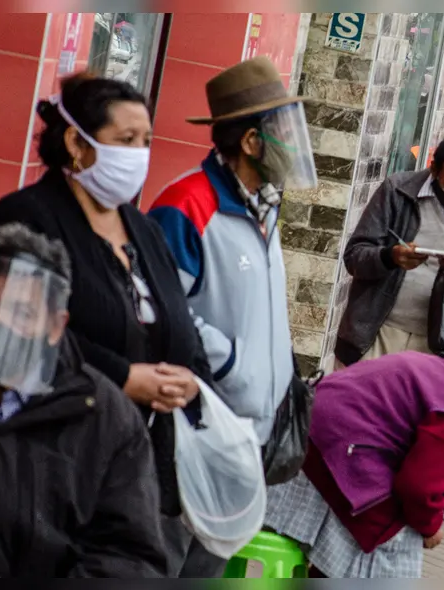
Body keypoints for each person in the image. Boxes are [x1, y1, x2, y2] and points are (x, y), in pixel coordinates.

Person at [0, 73, 219, 577]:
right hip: (53, 456)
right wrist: (121, 377)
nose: (138, 154)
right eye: (125, 140)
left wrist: (191, 376)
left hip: (146, 461)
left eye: (145, 142)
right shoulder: (28, 218)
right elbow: (19, 329)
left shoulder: (143, 229)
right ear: (76, 142)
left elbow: (180, 320)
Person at [265, 327, 444, 577]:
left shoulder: (438, 369)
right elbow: (417, 488)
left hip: (308, 431)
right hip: (332, 451)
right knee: (396, 542)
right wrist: (431, 526)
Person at [149, 57, 310, 451]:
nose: (293, 141)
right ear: (252, 141)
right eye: (283, 131)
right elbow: (160, 306)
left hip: (256, 426)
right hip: (206, 422)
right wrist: (231, 365)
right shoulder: (186, 206)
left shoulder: (264, 203)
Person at [0, 223, 166, 577]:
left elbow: (129, 558)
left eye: (22, 314)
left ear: (56, 326)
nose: (0, 325)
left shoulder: (105, 418)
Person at [317, 135, 444, 367]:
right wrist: (390, 257)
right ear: (434, 170)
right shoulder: (397, 192)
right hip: (375, 335)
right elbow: (355, 256)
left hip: (440, 348)